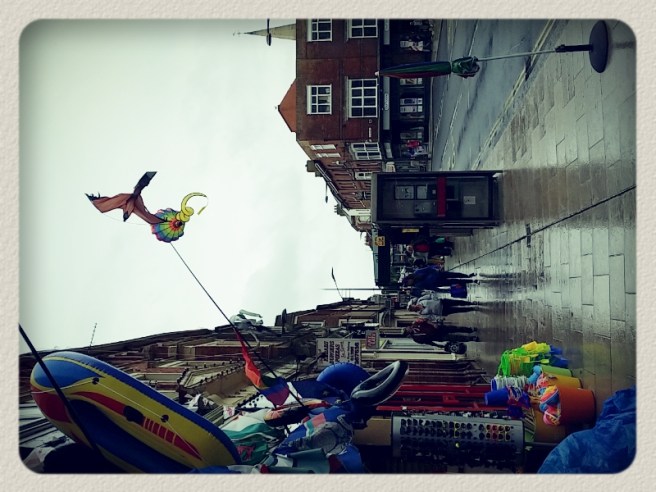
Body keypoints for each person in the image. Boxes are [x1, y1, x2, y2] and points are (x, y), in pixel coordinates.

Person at [404, 318, 479, 346]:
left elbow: (425, 320)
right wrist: (438, 345)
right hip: (437, 337)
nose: (408, 329)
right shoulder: (416, 339)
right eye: (407, 331)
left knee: (454, 328)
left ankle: (470, 330)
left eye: (406, 328)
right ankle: (471, 338)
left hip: (438, 329)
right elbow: (428, 342)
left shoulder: (415, 323)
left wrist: (433, 324)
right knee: (455, 337)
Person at [407, 296, 480, 318]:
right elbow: (431, 316)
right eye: (412, 308)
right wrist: (439, 317)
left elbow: (430, 295)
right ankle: (472, 308)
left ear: (413, 304)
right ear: (413, 310)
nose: (413, 307)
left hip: (442, 302)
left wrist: (436, 299)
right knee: (458, 310)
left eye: (412, 306)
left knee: (457, 302)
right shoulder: (421, 313)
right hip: (442, 311)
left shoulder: (420, 300)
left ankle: (471, 303)